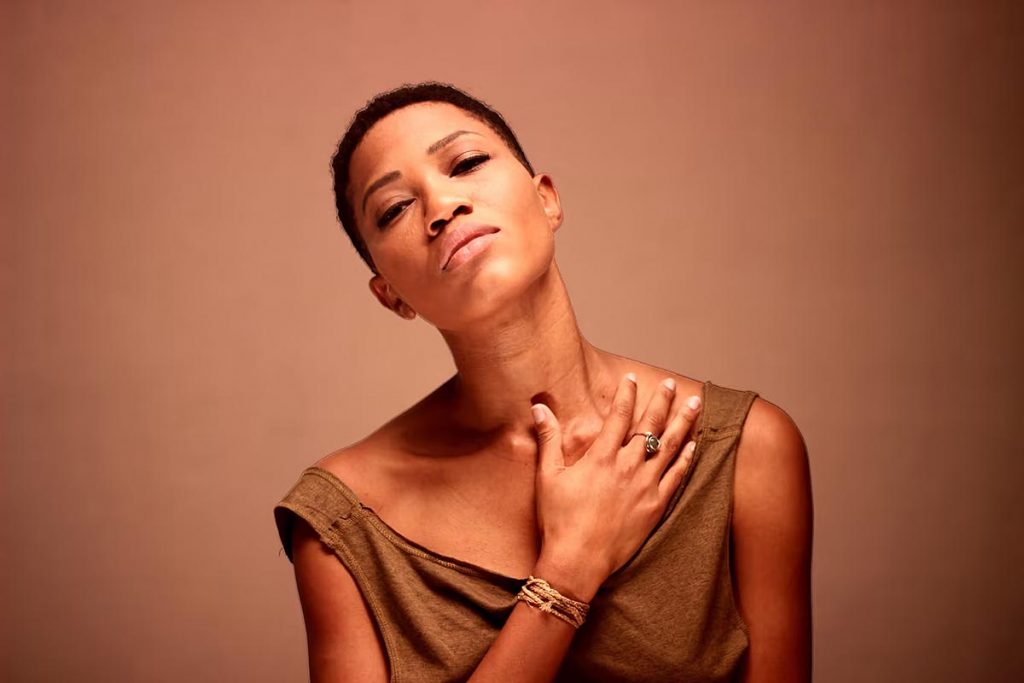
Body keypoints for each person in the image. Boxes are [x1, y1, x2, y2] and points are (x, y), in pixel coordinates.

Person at [274, 82, 813, 682]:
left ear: (547, 200)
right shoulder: (341, 524)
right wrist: (568, 570)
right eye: (395, 208)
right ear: (390, 295)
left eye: (466, 163)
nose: (442, 206)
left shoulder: (746, 450)